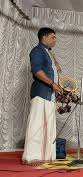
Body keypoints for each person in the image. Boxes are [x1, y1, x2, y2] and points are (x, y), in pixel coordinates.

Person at [22, 27, 63, 166]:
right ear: (44, 38)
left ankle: (46, 156)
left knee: (48, 126)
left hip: (49, 95)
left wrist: (57, 85)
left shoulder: (48, 53)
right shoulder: (37, 51)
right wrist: (53, 84)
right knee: (37, 125)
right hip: (41, 93)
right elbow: (37, 71)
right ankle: (32, 156)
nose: (55, 40)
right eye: (53, 37)